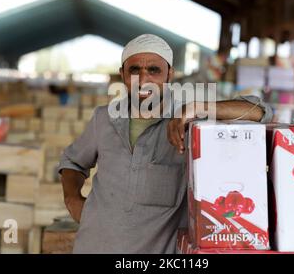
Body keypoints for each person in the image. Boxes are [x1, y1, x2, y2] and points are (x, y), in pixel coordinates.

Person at [57, 34, 273, 254]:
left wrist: (194, 108)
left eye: (154, 70)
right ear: (122, 74)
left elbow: (260, 112)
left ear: (170, 73)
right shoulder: (104, 118)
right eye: (134, 70)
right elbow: (72, 161)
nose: (143, 80)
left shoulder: (189, 122)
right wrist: (72, 198)